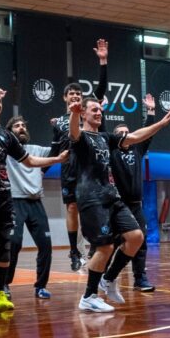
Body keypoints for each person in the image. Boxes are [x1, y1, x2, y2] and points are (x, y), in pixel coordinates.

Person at [0, 88, 66, 315]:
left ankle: (7, 289)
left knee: (6, 247)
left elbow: (30, 161)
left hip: (6, 198)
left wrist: (58, 158)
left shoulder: (7, 137)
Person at [69, 96, 170, 312]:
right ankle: (88, 296)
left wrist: (161, 124)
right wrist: (74, 113)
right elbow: (74, 132)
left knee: (136, 237)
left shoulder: (105, 138)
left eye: (100, 110)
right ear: (84, 114)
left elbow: (135, 137)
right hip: (92, 199)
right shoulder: (80, 138)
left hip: (112, 197)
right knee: (106, 246)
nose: (98, 113)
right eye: (94, 110)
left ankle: (108, 279)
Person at [50, 41, 108, 272]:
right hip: (69, 169)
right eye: (71, 94)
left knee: (90, 207)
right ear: (65, 98)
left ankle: (94, 245)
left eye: (78, 94)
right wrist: (38, 170)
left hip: (88, 168)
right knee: (72, 208)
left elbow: (101, 89)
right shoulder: (58, 122)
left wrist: (103, 62)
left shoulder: (86, 113)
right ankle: (74, 251)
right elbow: (54, 150)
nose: (75, 96)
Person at [107, 93, 159, 292]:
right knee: (111, 243)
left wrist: (151, 111)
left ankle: (140, 279)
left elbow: (148, 133)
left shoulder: (137, 149)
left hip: (136, 205)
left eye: (127, 132)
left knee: (141, 242)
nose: (125, 135)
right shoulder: (112, 152)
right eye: (121, 133)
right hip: (117, 206)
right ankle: (104, 276)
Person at [4, 116, 55, 299]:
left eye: (23, 125)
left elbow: (58, 150)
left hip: (35, 202)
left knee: (46, 245)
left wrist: (59, 129)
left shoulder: (36, 150)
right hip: (14, 201)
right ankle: (4, 284)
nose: (21, 128)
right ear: (9, 132)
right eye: (16, 126)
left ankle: (40, 286)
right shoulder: (6, 150)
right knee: (14, 243)